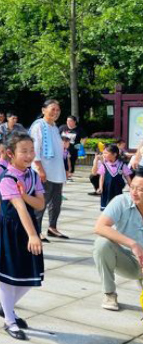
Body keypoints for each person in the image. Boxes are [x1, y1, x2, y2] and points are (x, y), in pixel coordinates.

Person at [0, 133, 45, 340]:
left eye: (31, 150)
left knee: (30, 276)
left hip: (27, 228)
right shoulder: (6, 178)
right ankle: (9, 320)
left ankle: (6, 307)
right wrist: (33, 236)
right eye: (24, 151)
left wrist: (25, 194)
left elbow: (40, 204)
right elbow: (19, 208)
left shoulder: (33, 175)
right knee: (8, 279)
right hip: (10, 230)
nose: (29, 155)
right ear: (11, 154)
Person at [93, 168, 143, 311]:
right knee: (102, 244)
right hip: (126, 259)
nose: (133, 192)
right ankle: (109, 293)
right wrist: (133, 244)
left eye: (140, 190)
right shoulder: (121, 201)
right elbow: (99, 227)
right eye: (132, 187)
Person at [29, 99, 69, 240]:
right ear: (43, 110)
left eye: (58, 110)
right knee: (41, 202)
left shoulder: (54, 127)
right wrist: (40, 169)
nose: (56, 112)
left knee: (56, 202)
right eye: (53, 109)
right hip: (44, 171)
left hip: (56, 171)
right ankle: (36, 229)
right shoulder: (39, 126)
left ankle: (52, 227)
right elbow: (34, 150)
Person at [94, 144, 133, 211]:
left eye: (106, 153)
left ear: (114, 154)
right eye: (103, 153)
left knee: (117, 206)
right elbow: (102, 177)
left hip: (117, 189)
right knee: (107, 207)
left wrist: (132, 187)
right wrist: (100, 187)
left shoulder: (122, 165)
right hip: (106, 189)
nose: (104, 155)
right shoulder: (104, 165)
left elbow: (127, 177)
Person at [59, 115, 84, 182]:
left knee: (71, 161)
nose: (68, 122)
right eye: (67, 121)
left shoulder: (79, 129)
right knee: (63, 161)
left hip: (73, 148)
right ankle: (63, 174)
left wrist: (80, 146)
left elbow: (84, 138)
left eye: (70, 121)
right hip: (62, 148)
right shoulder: (62, 127)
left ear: (74, 122)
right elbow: (57, 136)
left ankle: (69, 175)